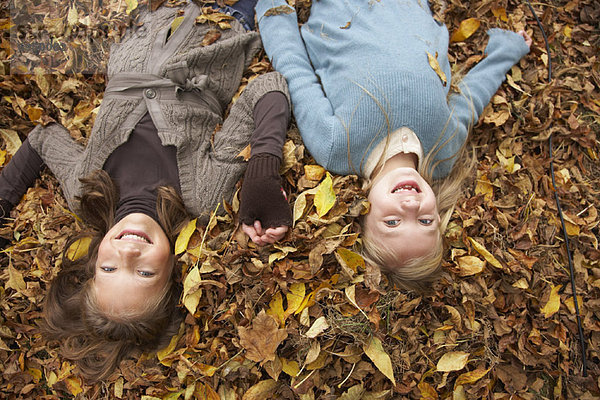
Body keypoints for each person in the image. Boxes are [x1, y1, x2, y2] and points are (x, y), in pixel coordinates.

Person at [0, 0, 292, 381]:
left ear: (91, 262)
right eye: (142, 273)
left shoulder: (83, 190)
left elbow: (42, 139)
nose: (128, 250)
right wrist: (262, 172)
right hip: (217, 32)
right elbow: (267, 87)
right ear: (172, 271)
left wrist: (3, 200)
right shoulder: (202, 196)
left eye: (109, 267)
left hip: (147, 24)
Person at [255, 0, 532, 290]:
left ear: (365, 212)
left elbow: (296, 73)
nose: (410, 205)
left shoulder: (337, 147)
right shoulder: (444, 150)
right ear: (438, 215)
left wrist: (275, 13)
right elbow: (471, 98)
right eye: (425, 221)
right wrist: (505, 53)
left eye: (392, 222)